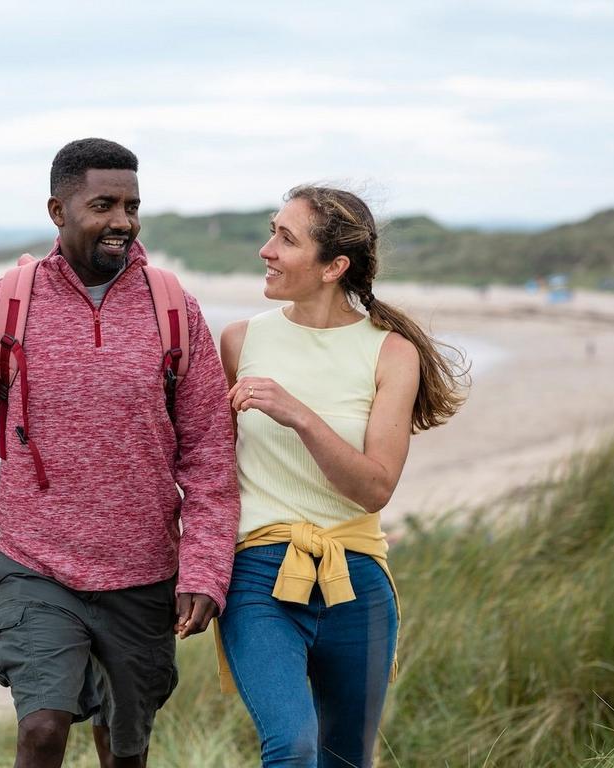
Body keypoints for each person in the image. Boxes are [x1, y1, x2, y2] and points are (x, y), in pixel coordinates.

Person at [0, 137, 240, 768]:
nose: (123, 221)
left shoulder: (175, 312)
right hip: (36, 565)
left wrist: (203, 571)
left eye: (132, 205)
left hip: (143, 571)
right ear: (58, 211)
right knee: (41, 730)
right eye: (104, 204)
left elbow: (208, 456)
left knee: (124, 751)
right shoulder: (5, 307)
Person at [217, 185, 468, 768]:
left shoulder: (391, 354)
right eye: (271, 231)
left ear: (334, 267)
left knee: (346, 758)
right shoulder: (239, 341)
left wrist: (298, 414)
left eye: (285, 238)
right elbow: (210, 474)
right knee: (294, 746)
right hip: (259, 576)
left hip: (356, 578)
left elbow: (375, 486)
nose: (266, 250)